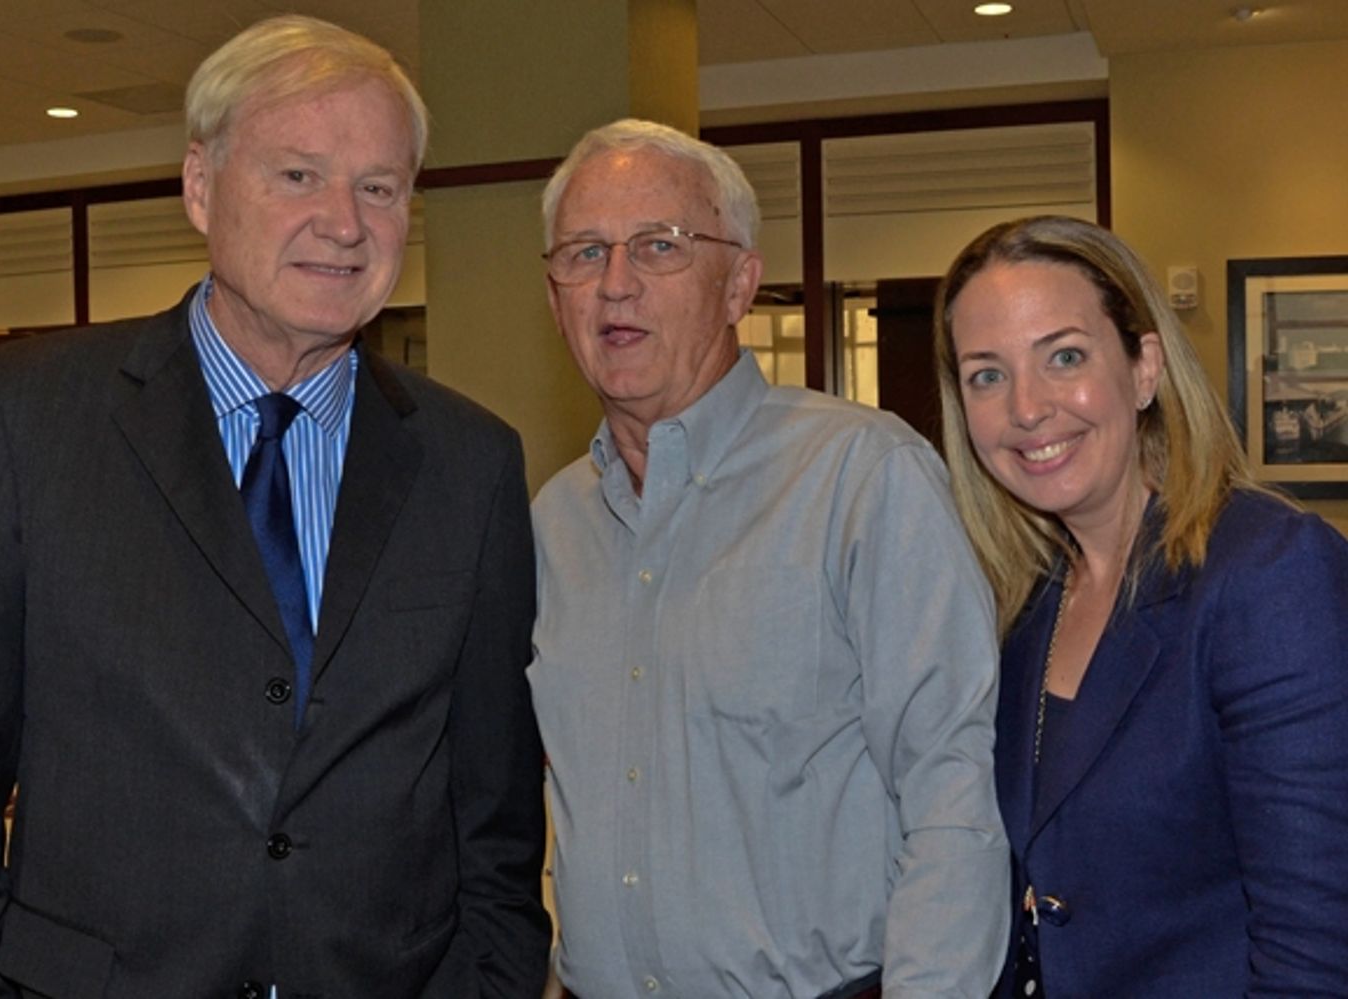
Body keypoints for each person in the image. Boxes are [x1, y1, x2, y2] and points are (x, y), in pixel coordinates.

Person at [0, 15, 550, 997]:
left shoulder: (470, 461)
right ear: (199, 186)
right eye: (298, 175)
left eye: (379, 187)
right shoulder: (22, 419)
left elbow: (494, 817)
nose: (345, 223)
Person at [530, 118, 1009, 999]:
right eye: (584, 252)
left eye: (659, 246)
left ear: (738, 282)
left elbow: (952, 794)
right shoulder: (551, 524)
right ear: (555, 294)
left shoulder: (862, 479)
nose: (616, 284)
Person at [934, 214, 1348, 996]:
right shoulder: (1022, 598)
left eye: (1064, 356)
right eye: (987, 373)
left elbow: (1317, 952)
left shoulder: (1267, 572)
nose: (1027, 407)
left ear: (1145, 366)